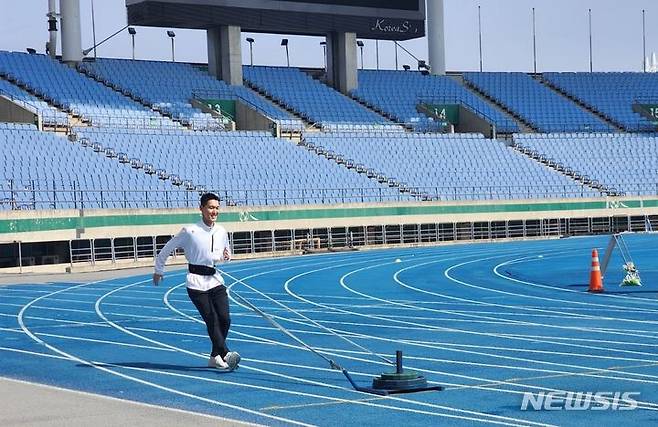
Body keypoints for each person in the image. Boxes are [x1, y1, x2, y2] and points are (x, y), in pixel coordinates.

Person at [152, 192, 240, 371]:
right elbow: (167, 248)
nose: (214, 211)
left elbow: (227, 255)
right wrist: (159, 270)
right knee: (212, 320)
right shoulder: (189, 231)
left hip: (215, 280)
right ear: (201, 208)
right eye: (210, 207)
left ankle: (214, 356)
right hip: (196, 282)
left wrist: (226, 257)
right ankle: (225, 353)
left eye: (216, 208)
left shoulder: (222, 231)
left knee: (225, 319)